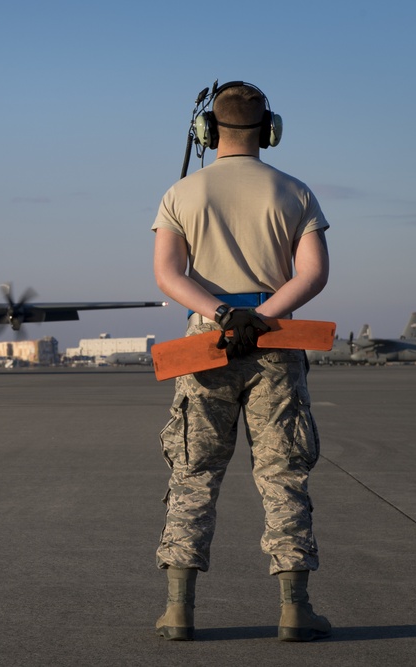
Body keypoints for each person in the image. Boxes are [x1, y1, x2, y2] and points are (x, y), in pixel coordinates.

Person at [150, 81, 331, 642]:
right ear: (269, 131)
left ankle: (179, 612)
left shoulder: (182, 193)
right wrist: (261, 316)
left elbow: (168, 275)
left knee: (193, 474)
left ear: (207, 131)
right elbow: (313, 275)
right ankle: (295, 609)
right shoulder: (294, 192)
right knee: (283, 476)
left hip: (207, 345)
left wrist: (224, 314)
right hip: (276, 342)